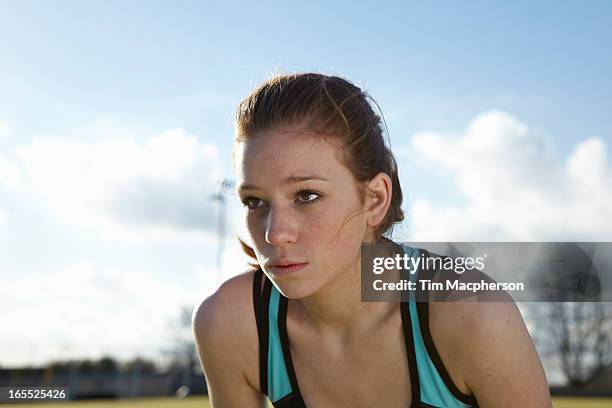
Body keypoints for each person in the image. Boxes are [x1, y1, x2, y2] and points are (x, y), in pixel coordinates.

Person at [192, 73, 552, 407]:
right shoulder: (233, 323)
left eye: (307, 196)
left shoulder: (473, 314)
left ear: (375, 199)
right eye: (254, 201)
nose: (274, 232)